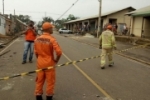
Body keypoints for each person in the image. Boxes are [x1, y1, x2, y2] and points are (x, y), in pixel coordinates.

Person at [34, 22, 62, 100]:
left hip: (40, 63)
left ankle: (38, 96)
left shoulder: (37, 39)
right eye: (51, 28)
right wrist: (56, 60)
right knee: (50, 82)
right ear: (48, 29)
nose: (52, 29)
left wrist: (39, 59)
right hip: (49, 64)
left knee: (39, 81)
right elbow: (59, 52)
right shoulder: (52, 39)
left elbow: (36, 52)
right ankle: (49, 97)